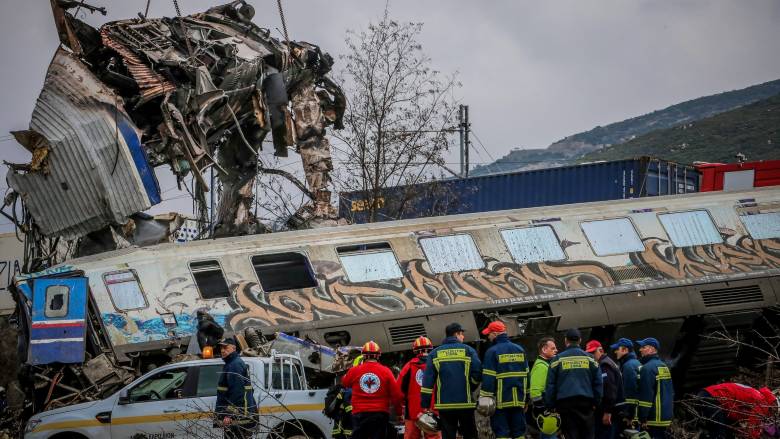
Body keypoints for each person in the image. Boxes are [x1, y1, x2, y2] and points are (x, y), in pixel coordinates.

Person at [421, 323, 482, 439]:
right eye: (462, 334)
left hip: (445, 405)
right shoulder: (468, 350)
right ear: (457, 334)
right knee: (470, 434)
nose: (463, 337)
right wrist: (471, 386)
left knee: (448, 435)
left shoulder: (434, 353)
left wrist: (425, 404)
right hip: (466, 403)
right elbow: (478, 373)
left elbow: (427, 383)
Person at [544, 328, 603, 439]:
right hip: (587, 405)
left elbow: (551, 385)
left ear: (566, 341)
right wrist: (596, 402)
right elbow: (598, 383)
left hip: (565, 406)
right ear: (580, 340)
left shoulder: (557, 360)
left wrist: (551, 406)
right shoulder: (591, 360)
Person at [342, 341, 403, 439]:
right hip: (380, 414)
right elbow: (396, 394)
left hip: (359, 413)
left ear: (364, 356)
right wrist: (399, 413)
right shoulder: (386, 371)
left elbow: (345, 383)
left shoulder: (354, 370)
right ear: (378, 356)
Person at [480, 321, 529, 439]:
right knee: (519, 433)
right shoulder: (520, 349)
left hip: (499, 403)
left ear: (495, 334)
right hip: (518, 401)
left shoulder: (492, 352)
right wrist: (526, 398)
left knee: (502, 432)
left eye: (489, 333)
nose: (488, 336)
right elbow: (527, 376)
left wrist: (484, 400)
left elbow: (488, 378)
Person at [694, 382, 777, 439]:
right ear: (773, 404)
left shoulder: (756, 396)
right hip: (713, 397)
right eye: (775, 409)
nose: (774, 412)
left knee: (727, 433)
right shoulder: (762, 402)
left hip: (708, 394)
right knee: (720, 435)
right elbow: (752, 428)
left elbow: (735, 413)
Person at [398, 336, 440, 439]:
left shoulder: (408, 367)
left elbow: (399, 389)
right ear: (430, 349)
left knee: (411, 437)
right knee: (434, 436)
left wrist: (402, 407)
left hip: (412, 412)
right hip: (433, 411)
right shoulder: (437, 365)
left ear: (415, 351)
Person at [216, 337, 257, 439]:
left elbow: (237, 392)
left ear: (233, 348)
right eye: (221, 348)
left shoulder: (234, 365)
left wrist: (229, 415)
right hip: (237, 417)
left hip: (237, 418)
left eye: (225, 347)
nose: (222, 350)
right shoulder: (231, 363)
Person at [635, 338, 673, 439]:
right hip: (665, 417)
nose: (640, 350)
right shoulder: (663, 366)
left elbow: (646, 395)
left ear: (652, 349)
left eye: (643, 347)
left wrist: (643, 417)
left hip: (653, 418)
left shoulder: (647, 368)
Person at [585, 340, 624, 439]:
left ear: (601, 350)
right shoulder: (609, 362)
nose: (591, 356)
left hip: (608, 412)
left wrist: (607, 412)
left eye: (593, 352)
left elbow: (609, 390)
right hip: (612, 409)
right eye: (589, 353)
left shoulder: (604, 365)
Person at [529, 337, 558, 439]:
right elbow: (535, 391)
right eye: (553, 348)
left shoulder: (545, 364)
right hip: (546, 410)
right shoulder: (541, 366)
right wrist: (543, 410)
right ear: (544, 350)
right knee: (550, 435)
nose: (556, 350)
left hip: (547, 409)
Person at [611, 338, 640, 428]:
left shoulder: (628, 367)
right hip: (637, 412)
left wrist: (628, 415)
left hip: (630, 416)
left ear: (625, 350)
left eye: (617, 349)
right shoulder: (636, 363)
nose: (615, 352)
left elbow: (630, 393)